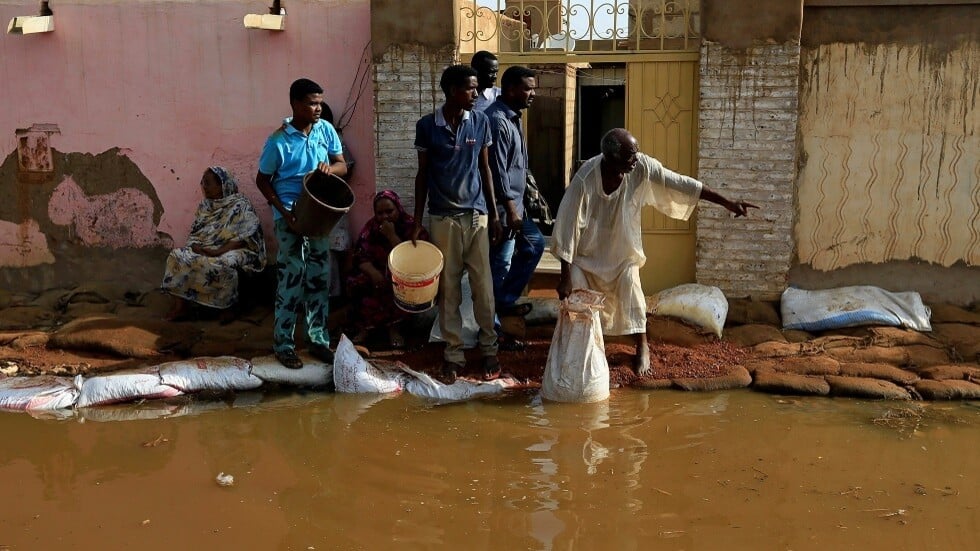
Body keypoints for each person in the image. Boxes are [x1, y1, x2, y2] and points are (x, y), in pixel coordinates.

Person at [551, 128, 759, 376]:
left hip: (622, 255)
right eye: (630, 156)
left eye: (636, 153)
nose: (636, 159)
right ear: (611, 158)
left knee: (633, 293)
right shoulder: (585, 179)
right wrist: (564, 276)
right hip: (586, 258)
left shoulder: (641, 168)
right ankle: (587, 352)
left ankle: (642, 347)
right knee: (581, 298)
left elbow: (680, 183)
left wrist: (727, 202)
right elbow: (566, 225)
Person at [412, 64, 503, 383]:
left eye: (477, 88)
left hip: (477, 217)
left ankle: (489, 349)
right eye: (470, 88)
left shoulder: (481, 122)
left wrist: (494, 215)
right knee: (448, 289)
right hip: (442, 219)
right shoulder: (427, 126)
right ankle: (453, 354)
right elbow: (422, 175)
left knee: (483, 287)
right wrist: (416, 220)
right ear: (452, 91)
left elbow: (486, 170)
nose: (477, 94)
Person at [256, 78, 348, 369]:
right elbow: (262, 180)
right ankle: (283, 344)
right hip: (291, 216)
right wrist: (284, 213)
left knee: (318, 278)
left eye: (320, 102)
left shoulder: (326, 130)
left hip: (319, 214)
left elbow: (342, 165)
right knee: (291, 278)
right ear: (295, 104)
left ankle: (318, 340)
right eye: (312, 103)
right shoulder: (278, 141)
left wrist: (329, 168)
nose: (318, 108)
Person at [484, 66, 546, 349]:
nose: (532, 94)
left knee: (530, 247)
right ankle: (495, 329)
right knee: (500, 264)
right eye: (527, 88)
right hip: (501, 210)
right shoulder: (497, 121)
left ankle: (503, 306)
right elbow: (496, 172)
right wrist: (509, 210)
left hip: (516, 207)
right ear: (510, 89)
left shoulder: (513, 119)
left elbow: (518, 167)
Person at [162, 166, 266, 321]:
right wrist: (197, 247)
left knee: (224, 262)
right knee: (177, 256)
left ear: (222, 185)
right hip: (208, 248)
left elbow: (245, 237)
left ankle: (227, 307)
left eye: (208, 183)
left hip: (236, 248)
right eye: (203, 183)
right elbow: (196, 232)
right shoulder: (206, 206)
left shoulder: (240, 205)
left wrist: (218, 252)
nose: (205, 187)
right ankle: (180, 307)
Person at [346, 190, 429, 348]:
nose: (385, 217)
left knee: (400, 286)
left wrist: (391, 236)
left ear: (398, 208)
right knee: (356, 282)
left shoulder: (411, 227)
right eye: (380, 213)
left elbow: (413, 261)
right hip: (377, 272)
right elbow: (361, 256)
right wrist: (374, 273)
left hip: (402, 274)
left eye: (389, 211)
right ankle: (365, 328)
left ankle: (394, 329)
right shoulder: (371, 227)